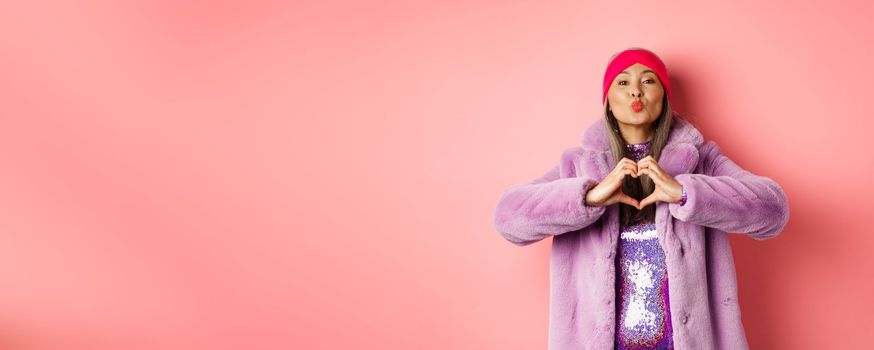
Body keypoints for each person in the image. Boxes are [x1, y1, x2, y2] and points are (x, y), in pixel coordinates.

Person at [492, 48, 789, 350]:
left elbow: (773, 210)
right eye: (622, 82)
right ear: (607, 101)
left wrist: (686, 193)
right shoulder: (579, 165)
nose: (635, 90)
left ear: (664, 97)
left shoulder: (701, 160)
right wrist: (589, 197)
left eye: (648, 81)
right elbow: (507, 217)